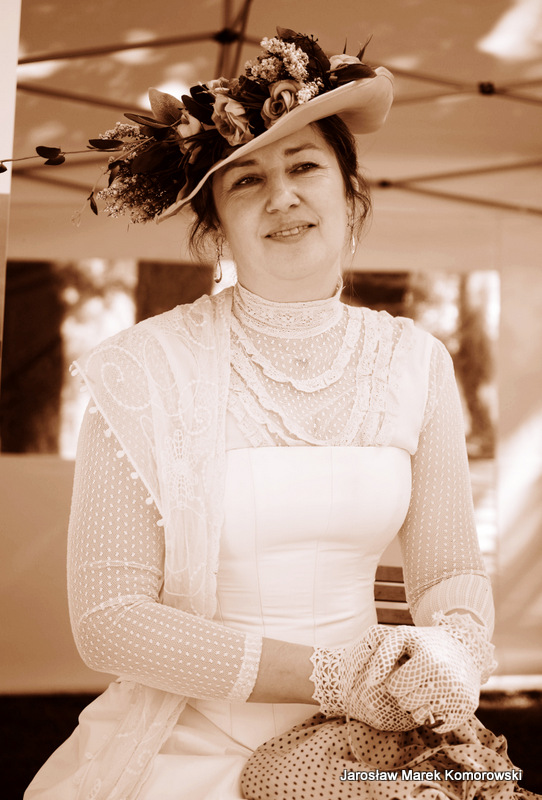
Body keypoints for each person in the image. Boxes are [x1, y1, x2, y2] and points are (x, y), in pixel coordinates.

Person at [23, 26, 527, 800]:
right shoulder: (142, 371)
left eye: (304, 166)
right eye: (247, 181)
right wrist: (332, 676)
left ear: (350, 194)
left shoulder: (415, 361)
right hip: (189, 741)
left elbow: (449, 570)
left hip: (369, 739)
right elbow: (109, 619)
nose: (282, 196)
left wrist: (455, 647)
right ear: (216, 224)